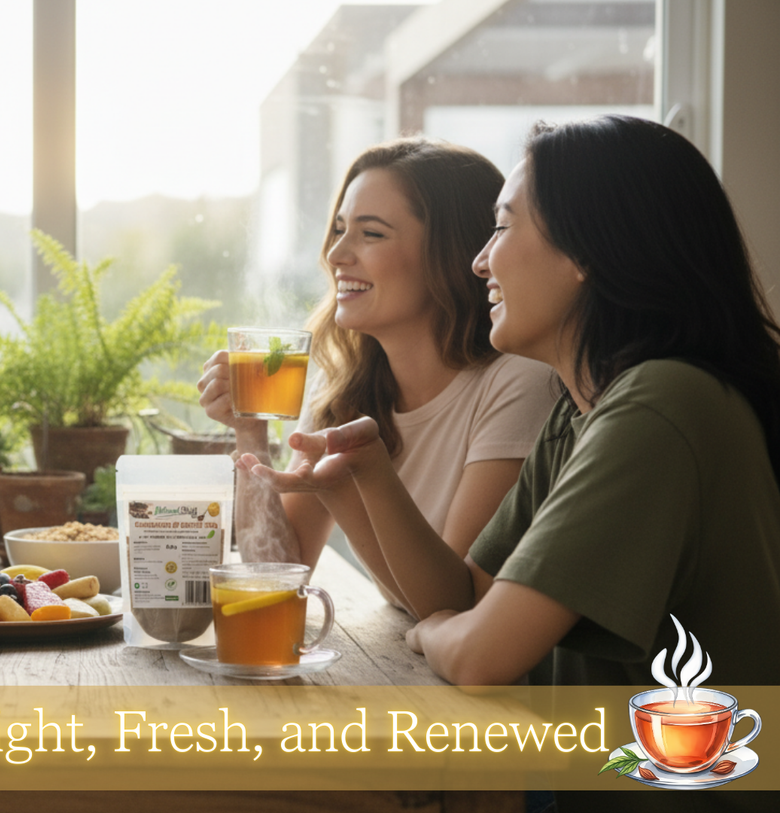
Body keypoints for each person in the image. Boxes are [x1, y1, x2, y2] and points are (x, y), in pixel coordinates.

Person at [275, 116, 780, 693]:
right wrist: (363, 474)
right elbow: (466, 597)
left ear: (584, 250)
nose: (480, 261)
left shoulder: (659, 406)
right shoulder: (578, 411)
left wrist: (435, 631)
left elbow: (479, 656)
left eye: (502, 228)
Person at [199, 139, 555, 616]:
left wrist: (347, 486)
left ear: (453, 253)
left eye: (371, 234)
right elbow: (274, 575)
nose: (336, 254)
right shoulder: (343, 390)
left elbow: (453, 605)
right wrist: (250, 428)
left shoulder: (518, 385)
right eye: (340, 229)